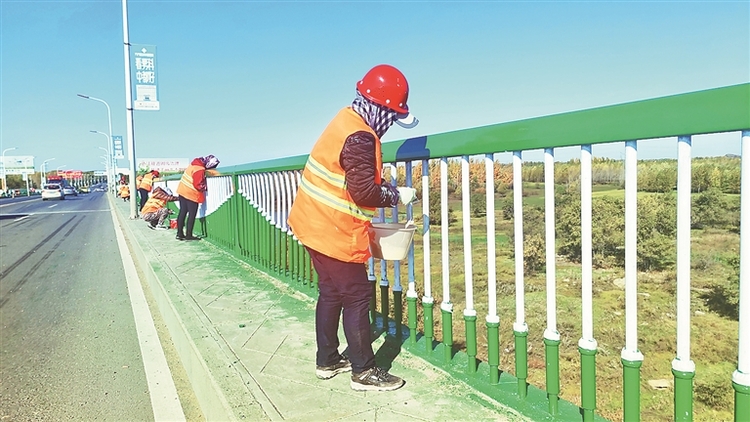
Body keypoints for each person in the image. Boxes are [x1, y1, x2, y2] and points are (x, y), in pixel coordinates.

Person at [287, 64, 419, 392]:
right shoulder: (360, 135)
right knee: (358, 295)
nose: (390, 124)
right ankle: (363, 371)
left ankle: (328, 359)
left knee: (331, 293)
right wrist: (395, 194)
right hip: (333, 230)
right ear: (381, 108)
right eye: (392, 115)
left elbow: (350, 179)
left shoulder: (346, 120)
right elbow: (363, 191)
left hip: (312, 222)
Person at [176, 155, 220, 241]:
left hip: (182, 191)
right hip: (191, 194)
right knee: (192, 215)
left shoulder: (193, 165)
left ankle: (179, 234)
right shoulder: (200, 169)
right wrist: (205, 188)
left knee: (182, 213)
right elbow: (198, 185)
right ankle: (189, 235)